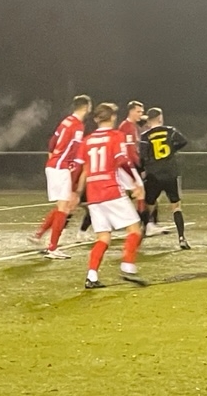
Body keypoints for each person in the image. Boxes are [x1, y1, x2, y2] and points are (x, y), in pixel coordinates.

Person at [73, 103, 146, 289]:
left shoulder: (87, 140)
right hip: (111, 190)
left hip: (94, 193)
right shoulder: (116, 136)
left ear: (96, 119)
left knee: (103, 238)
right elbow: (122, 162)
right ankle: (128, 267)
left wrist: (76, 192)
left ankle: (92, 276)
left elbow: (80, 168)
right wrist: (135, 182)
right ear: (113, 117)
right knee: (134, 229)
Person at [30, 94, 92, 259]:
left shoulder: (65, 122)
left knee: (61, 207)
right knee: (64, 209)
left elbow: (52, 143)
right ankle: (52, 248)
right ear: (87, 107)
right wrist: (73, 175)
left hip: (53, 165)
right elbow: (75, 153)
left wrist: (54, 160)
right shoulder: (77, 126)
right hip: (61, 167)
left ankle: (42, 237)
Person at [139, 107, 190, 249]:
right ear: (160, 118)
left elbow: (142, 156)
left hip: (153, 175)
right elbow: (183, 141)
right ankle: (181, 238)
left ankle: (139, 237)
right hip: (170, 173)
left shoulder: (145, 136)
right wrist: (172, 150)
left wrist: (143, 169)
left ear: (148, 119)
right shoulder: (170, 131)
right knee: (176, 206)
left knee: (149, 206)